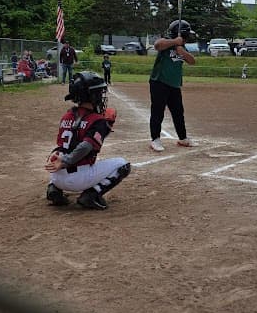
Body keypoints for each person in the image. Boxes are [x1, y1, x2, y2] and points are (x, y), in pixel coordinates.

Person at [45, 71, 130, 210]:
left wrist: (105, 127)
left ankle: (53, 188)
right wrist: (104, 125)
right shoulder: (97, 120)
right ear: (91, 95)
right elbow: (85, 146)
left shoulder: (67, 115)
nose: (101, 97)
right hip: (78, 178)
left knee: (59, 151)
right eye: (99, 93)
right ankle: (91, 195)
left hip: (56, 176)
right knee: (123, 164)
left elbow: (71, 140)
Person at [149, 19, 197, 152]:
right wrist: (175, 42)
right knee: (158, 112)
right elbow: (157, 45)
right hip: (159, 82)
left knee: (178, 112)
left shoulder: (182, 47)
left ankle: (183, 138)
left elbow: (192, 61)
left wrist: (182, 51)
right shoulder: (167, 43)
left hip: (174, 85)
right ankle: (155, 139)